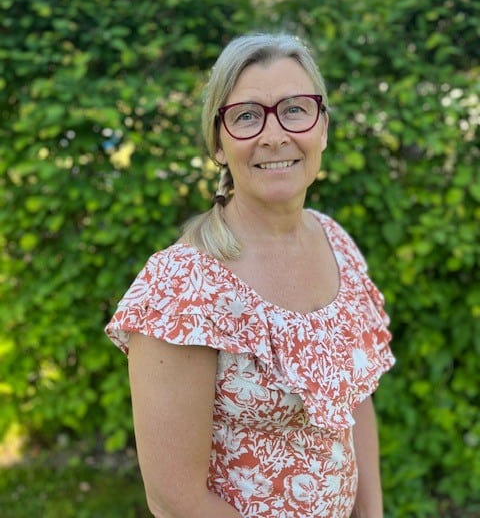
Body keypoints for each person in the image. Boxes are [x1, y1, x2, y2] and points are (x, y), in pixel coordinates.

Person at [105, 32, 395, 518]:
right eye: (246, 116)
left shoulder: (336, 243)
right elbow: (175, 499)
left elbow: (354, 402)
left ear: (323, 128)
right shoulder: (183, 285)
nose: (275, 135)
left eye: (296, 109)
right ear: (218, 143)